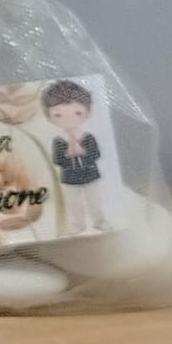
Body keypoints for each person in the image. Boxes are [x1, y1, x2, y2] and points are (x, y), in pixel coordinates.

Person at [43, 79, 107, 236]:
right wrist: (68, 153)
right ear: (49, 117)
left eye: (77, 113)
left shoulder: (88, 137)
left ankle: (99, 221)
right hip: (69, 177)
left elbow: (96, 155)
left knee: (95, 200)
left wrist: (82, 151)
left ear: (87, 112)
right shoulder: (59, 141)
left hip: (90, 174)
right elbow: (57, 160)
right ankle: (78, 224)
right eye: (58, 115)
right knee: (74, 204)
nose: (69, 120)